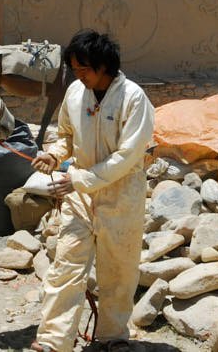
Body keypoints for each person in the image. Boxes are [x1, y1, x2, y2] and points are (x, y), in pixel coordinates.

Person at [29, 30, 155, 352]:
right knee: (65, 267)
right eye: (75, 69)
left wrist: (80, 178)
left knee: (118, 271)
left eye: (84, 69)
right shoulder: (74, 93)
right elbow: (66, 137)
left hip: (121, 195)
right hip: (80, 197)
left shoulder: (134, 99)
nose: (78, 75)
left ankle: (112, 338)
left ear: (103, 67)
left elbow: (127, 157)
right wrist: (54, 154)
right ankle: (52, 342)